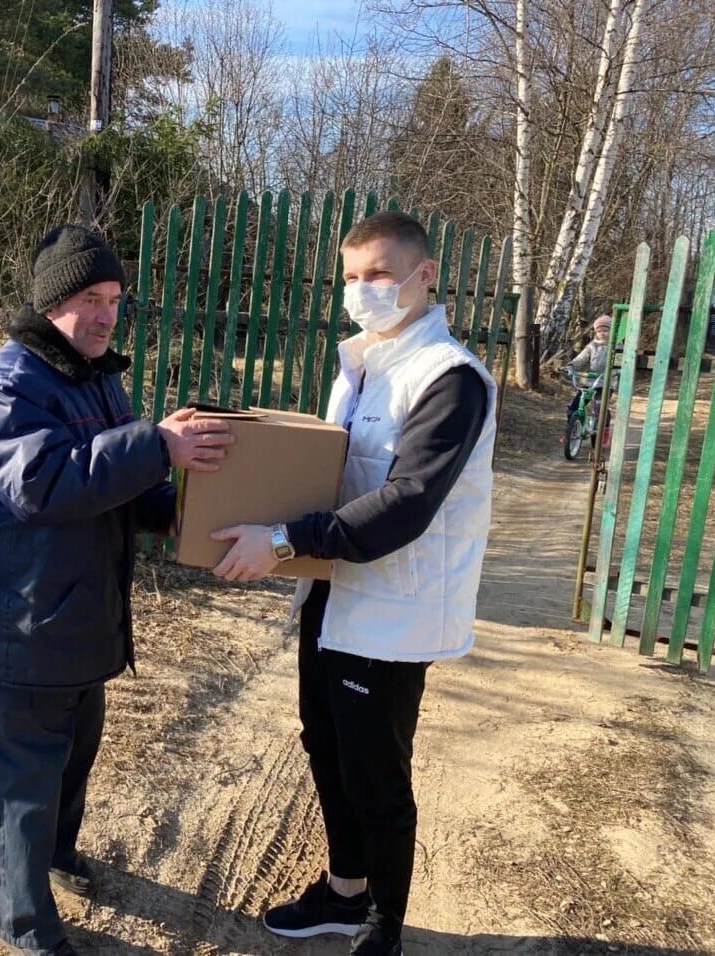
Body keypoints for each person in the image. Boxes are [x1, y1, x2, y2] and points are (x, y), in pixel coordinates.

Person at [208, 212, 496, 956]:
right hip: (332, 591)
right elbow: (332, 473)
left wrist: (282, 541)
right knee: (325, 743)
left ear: (424, 275)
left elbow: (404, 504)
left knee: (377, 771)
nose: (363, 289)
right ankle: (345, 891)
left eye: (380, 274)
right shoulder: (364, 363)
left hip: (393, 607)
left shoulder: (449, 378)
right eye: (353, 275)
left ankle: (384, 926)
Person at [0, 225, 234, 956]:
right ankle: (25, 926)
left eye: (114, 300)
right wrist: (154, 446)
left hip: (76, 617)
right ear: (49, 306)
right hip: (22, 624)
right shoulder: (8, 383)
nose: (106, 315)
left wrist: (178, 511)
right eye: (88, 299)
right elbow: (43, 483)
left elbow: (112, 484)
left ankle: (58, 857)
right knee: (23, 786)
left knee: (73, 756)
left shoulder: (95, 375)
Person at [562, 314, 612, 415]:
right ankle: (573, 423)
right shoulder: (592, 346)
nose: (602, 333)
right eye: (599, 331)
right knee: (578, 402)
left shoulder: (616, 347)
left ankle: (604, 428)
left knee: (600, 407)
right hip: (590, 379)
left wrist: (618, 372)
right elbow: (581, 358)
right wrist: (571, 365)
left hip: (606, 381)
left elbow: (622, 362)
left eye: (605, 331)